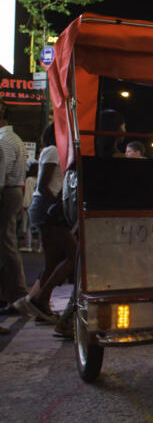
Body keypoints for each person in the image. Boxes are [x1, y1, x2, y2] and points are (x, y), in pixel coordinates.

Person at [12, 125, 76, 324]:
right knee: (74, 255)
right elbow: (44, 185)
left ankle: (38, 302)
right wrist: (59, 206)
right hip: (48, 209)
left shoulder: (55, 151)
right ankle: (40, 299)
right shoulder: (54, 150)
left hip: (48, 208)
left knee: (53, 260)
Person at [0, 99, 29, 316]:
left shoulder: (5, 141)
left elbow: (3, 174)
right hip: (12, 190)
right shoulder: (12, 138)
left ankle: (16, 292)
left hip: (8, 191)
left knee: (6, 242)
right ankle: (12, 291)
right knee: (7, 242)